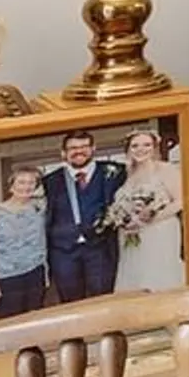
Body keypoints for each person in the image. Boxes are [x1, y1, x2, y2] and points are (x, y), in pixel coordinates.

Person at [40, 127, 126, 306]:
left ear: (93, 148)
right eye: (72, 148)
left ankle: (104, 333)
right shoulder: (50, 181)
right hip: (63, 251)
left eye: (84, 146)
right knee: (70, 302)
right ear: (63, 153)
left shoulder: (115, 172)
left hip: (100, 248)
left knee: (102, 298)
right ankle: (76, 335)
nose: (79, 151)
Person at [111, 124, 187, 294]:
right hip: (132, 235)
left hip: (160, 231)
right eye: (135, 146)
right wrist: (124, 219)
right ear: (128, 149)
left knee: (158, 275)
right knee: (135, 277)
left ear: (154, 148)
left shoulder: (166, 169)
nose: (141, 150)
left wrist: (153, 216)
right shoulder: (128, 173)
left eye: (146, 145)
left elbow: (181, 201)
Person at [0, 167, 49, 320]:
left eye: (31, 183)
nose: (26, 187)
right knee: (10, 322)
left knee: (34, 320)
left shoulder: (39, 208)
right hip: (6, 278)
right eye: (21, 182)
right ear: (11, 186)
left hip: (35, 273)